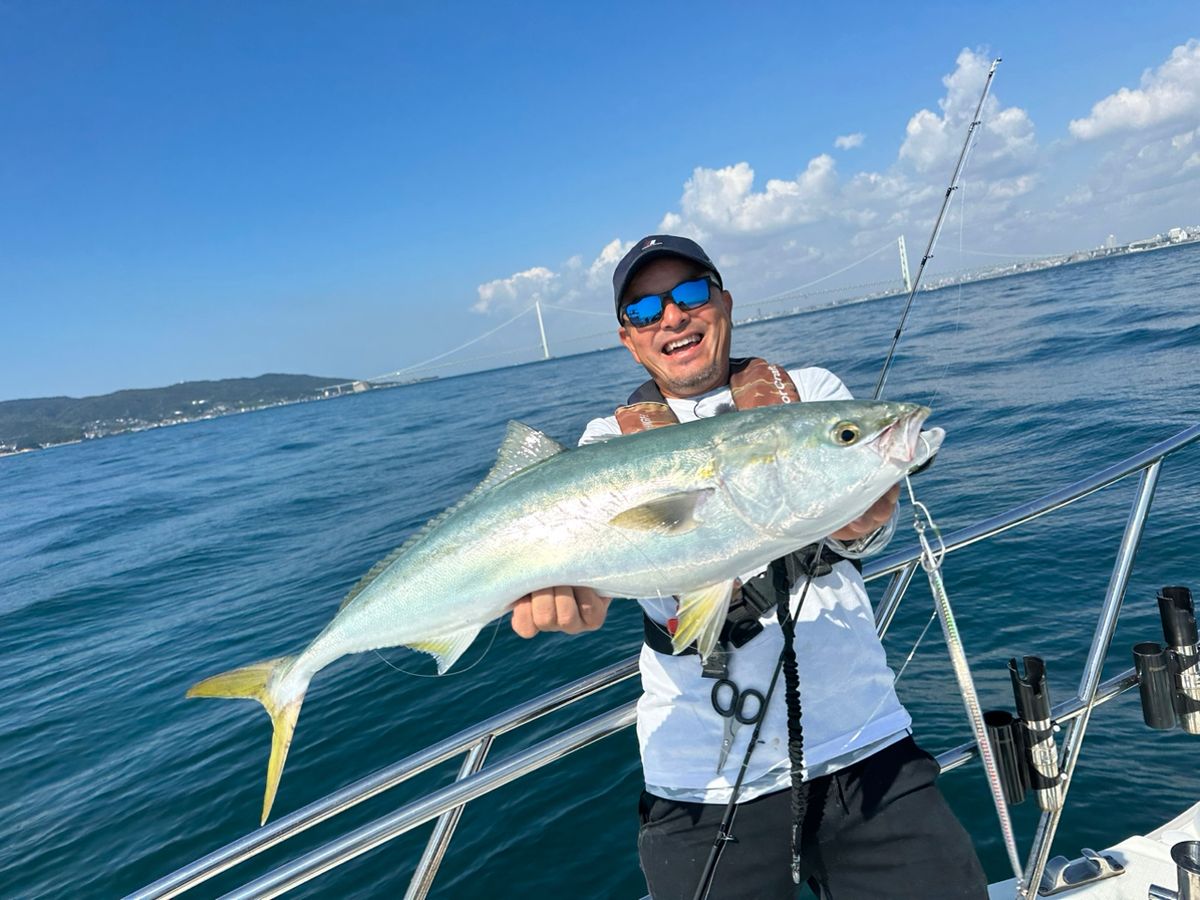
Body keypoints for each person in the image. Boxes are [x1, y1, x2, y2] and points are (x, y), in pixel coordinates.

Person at [510, 235, 986, 899]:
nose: (673, 316)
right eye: (645, 310)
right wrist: (575, 598)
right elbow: (597, 575)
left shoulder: (810, 395)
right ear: (629, 338)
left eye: (691, 294)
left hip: (865, 743)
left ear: (724, 301)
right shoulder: (602, 449)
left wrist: (868, 522)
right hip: (702, 776)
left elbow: (865, 529)